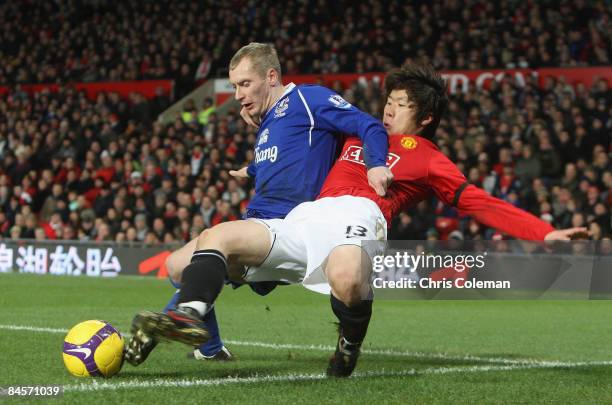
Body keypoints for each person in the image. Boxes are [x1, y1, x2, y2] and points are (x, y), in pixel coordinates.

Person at [130, 63, 586, 376]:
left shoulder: (426, 157)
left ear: (424, 118)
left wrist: (544, 231)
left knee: (347, 277)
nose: (388, 108)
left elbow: (478, 202)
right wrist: (257, 159)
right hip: (306, 218)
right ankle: (190, 317)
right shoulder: (354, 134)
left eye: (401, 104)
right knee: (211, 239)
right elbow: (298, 150)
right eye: (388, 100)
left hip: (360, 219)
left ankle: (348, 345)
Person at [124, 42, 393, 365]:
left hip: (291, 228)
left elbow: (369, 124)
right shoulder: (267, 121)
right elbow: (286, 159)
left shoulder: (309, 99)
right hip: (259, 220)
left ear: (271, 76)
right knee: (177, 267)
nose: (237, 94)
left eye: (244, 84)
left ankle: (169, 326)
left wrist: (376, 163)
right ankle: (208, 346)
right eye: (235, 86)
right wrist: (251, 169)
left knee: (211, 247)